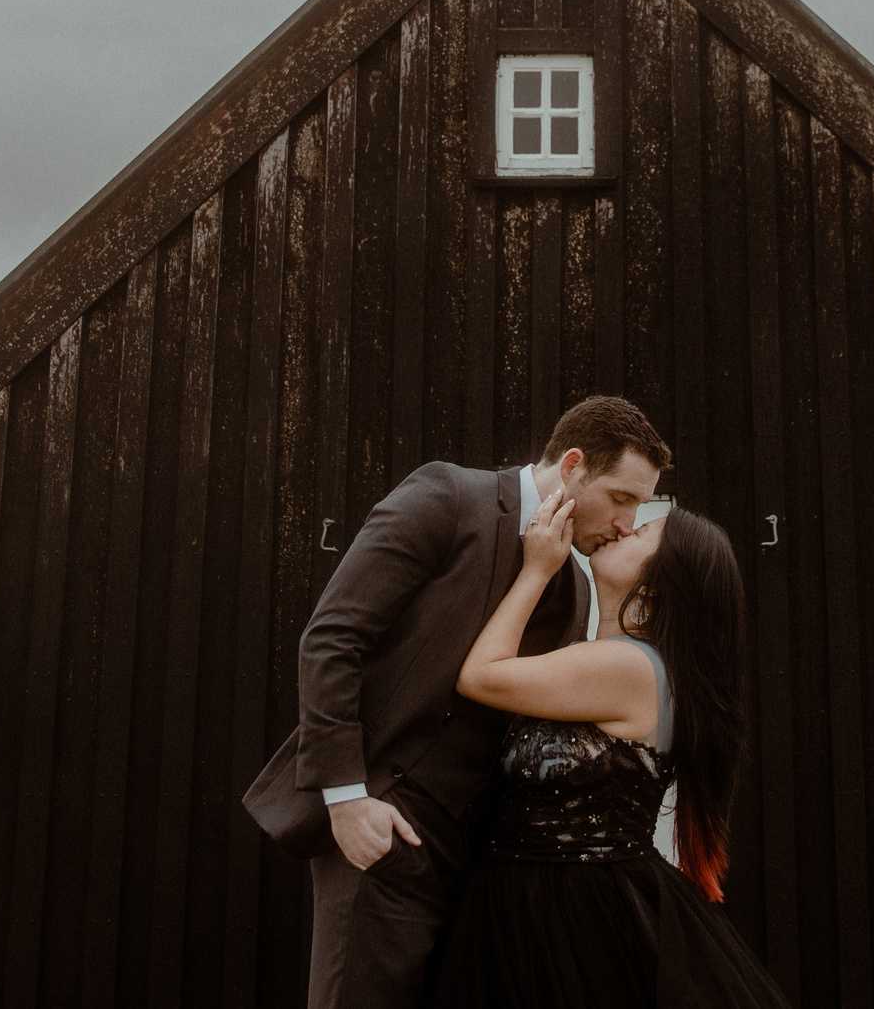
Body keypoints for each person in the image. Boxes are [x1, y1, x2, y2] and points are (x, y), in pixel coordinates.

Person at [243, 396, 671, 1009]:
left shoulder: (574, 589)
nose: (627, 524)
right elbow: (333, 637)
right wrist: (347, 799)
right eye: (623, 498)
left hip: (476, 865)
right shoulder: (448, 497)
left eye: (640, 507)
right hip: (382, 822)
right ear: (573, 466)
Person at [427, 494, 790, 1009]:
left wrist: (536, 569)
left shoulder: (629, 668)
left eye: (643, 534)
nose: (625, 530)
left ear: (658, 585)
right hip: (524, 900)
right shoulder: (603, 659)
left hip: (575, 912)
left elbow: (478, 676)